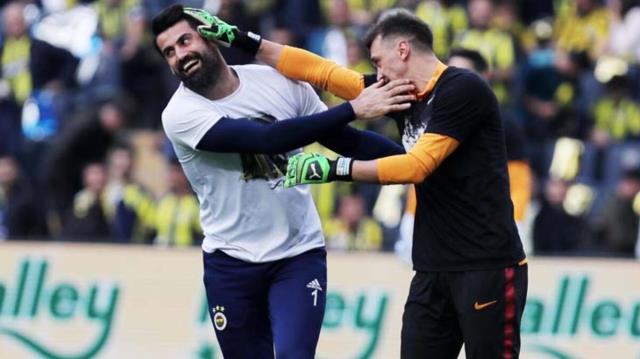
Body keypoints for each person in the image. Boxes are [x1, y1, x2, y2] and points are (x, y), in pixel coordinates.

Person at [198, 9, 527, 358]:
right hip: (433, 267)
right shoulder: (401, 92)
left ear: (403, 50)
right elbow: (322, 72)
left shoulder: (462, 89)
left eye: (378, 61)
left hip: (487, 264)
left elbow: (417, 167)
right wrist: (242, 39)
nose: (376, 73)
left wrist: (333, 168)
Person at [151, 5, 413, 358]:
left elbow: (347, 141)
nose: (181, 55)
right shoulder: (179, 114)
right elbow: (265, 139)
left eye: (185, 41)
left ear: (210, 36)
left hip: (297, 254)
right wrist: (354, 107)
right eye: (170, 52)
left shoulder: (277, 81)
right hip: (231, 263)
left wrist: (415, 162)